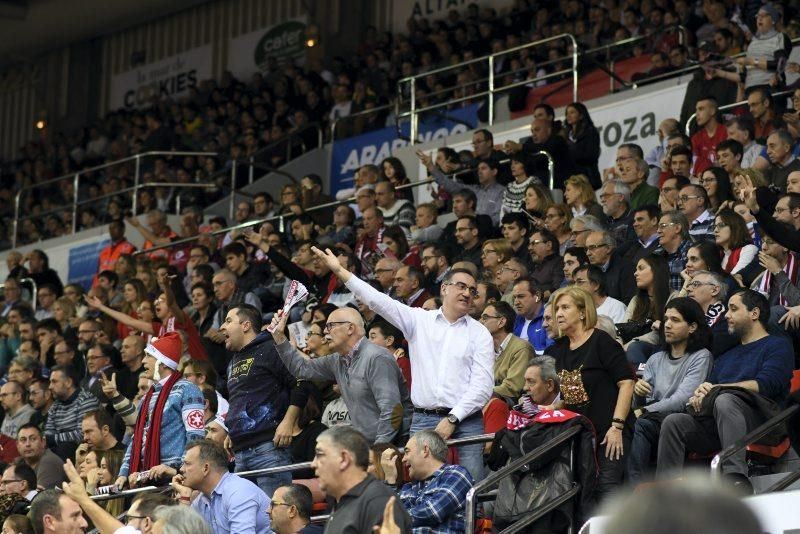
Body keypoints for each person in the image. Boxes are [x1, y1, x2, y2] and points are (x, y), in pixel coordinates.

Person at [312, 247, 493, 483]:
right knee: (419, 487)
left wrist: (452, 419)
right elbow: (378, 301)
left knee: (473, 486)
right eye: (461, 286)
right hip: (423, 419)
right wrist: (340, 271)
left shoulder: (480, 333)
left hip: (467, 420)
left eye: (472, 290)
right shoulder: (419, 320)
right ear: (444, 288)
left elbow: (482, 387)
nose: (467, 293)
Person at [657, 290, 794, 488]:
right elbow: (711, 389)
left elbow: (766, 384)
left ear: (754, 313)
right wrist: (701, 394)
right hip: (720, 422)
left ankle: (734, 477)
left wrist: (718, 389)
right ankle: (666, 489)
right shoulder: (726, 356)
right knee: (674, 421)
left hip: (764, 421)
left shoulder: (778, 345)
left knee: (725, 400)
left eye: (733, 309)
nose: (726, 315)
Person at [271, 306, 412, 445]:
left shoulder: (377, 357)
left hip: (393, 445)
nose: (325, 332)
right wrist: (279, 337)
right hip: (368, 445)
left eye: (330, 325)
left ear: (350, 328)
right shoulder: (336, 359)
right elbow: (301, 369)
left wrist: (379, 449)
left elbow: (392, 410)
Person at [545, 286, 635, 499]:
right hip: (581, 435)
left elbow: (627, 383)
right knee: (582, 493)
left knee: (606, 488)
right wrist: (551, 408)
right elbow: (572, 397)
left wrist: (617, 427)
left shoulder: (601, 341)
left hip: (610, 432)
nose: (558, 313)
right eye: (557, 308)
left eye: (565, 307)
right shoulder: (559, 350)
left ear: (583, 312)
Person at [220, 304, 306, 498]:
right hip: (240, 452)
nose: (221, 328)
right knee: (246, 519)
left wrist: (288, 422)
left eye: (228, 321)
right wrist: (234, 428)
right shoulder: (233, 361)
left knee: (274, 518)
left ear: (246, 325)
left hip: (269, 450)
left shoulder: (271, 348)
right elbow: (240, 398)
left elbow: (301, 381)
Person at [627, 298, 713, 484]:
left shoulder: (701, 356)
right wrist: (638, 395)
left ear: (692, 327)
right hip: (652, 419)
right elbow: (640, 403)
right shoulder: (655, 358)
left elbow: (683, 398)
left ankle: (634, 489)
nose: (667, 325)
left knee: (639, 423)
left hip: (680, 419)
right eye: (666, 319)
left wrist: (644, 410)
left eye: (675, 320)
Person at [115, 332, 206, 489]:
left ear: (163, 363)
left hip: (174, 479)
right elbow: (137, 436)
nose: (143, 361)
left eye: (149, 356)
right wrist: (124, 473)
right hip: (145, 477)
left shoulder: (188, 390)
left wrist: (178, 469)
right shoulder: (147, 397)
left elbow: (196, 437)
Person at [310, 426, 411, 533]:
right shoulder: (342, 500)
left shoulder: (378, 501)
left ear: (344, 459)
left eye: (320, 455)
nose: (313, 464)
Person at [170, 440, 271, 534]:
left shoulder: (238, 491)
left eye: (187, 464)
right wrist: (184, 497)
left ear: (205, 468)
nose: (181, 469)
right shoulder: (201, 500)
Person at [381, 430, 473, 532]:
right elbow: (385, 512)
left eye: (407, 452)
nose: (403, 459)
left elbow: (433, 512)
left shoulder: (456, 474)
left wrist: (390, 519)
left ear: (425, 450)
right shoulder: (409, 487)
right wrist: (390, 479)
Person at [479, 302, 534, 405]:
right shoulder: (485, 348)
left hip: (509, 403)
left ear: (501, 322)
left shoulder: (521, 348)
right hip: (486, 399)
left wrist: (478, 393)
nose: (480, 322)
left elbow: (512, 388)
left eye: (485, 317)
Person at [45, 365, 100, 461]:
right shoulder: (55, 406)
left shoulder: (86, 400)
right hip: (59, 453)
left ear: (68, 382)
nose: (50, 387)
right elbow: (48, 436)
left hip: (86, 453)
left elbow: (82, 434)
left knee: (66, 447)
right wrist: (52, 439)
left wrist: (54, 439)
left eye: (54, 382)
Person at [584, 230, 636, 303]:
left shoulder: (627, 269)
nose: (588, 253)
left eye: (592, 248)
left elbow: (628, 303)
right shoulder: (590, 271)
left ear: (608, 248)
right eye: (586, 249)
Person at [16, 424, 66, 489]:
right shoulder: (19, 463)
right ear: (17, 445)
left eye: (33, 439)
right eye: (23, 440)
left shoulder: (49, 462)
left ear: (43, 442)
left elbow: (40, 497)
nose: (28, 444)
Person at [511, 279, 552, 355]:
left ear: (538, 296)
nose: (516, 302)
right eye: (514, 297)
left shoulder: (549, 318)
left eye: (521, 296)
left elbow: (552, 353)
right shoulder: (515, 320)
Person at [690, 96, 727, 176]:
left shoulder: (726, 131)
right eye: (696, 110)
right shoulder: (696, 138)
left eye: (701, 109)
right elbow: (695, 164)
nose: (697, 114)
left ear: (713, 111)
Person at [715, 208, 758, 275]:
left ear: (735, 227)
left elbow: (733, 280)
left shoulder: (749, 249)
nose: (715, 230)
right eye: (714, 226)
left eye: (721, 225)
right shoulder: (719, 255)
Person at [527, 229, 564, 293]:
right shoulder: (533, 267)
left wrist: (538, 296)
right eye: (529, 244)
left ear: (548, 245)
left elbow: (558, 290)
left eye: (534, 243)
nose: (529, 248)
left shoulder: (560, 263)